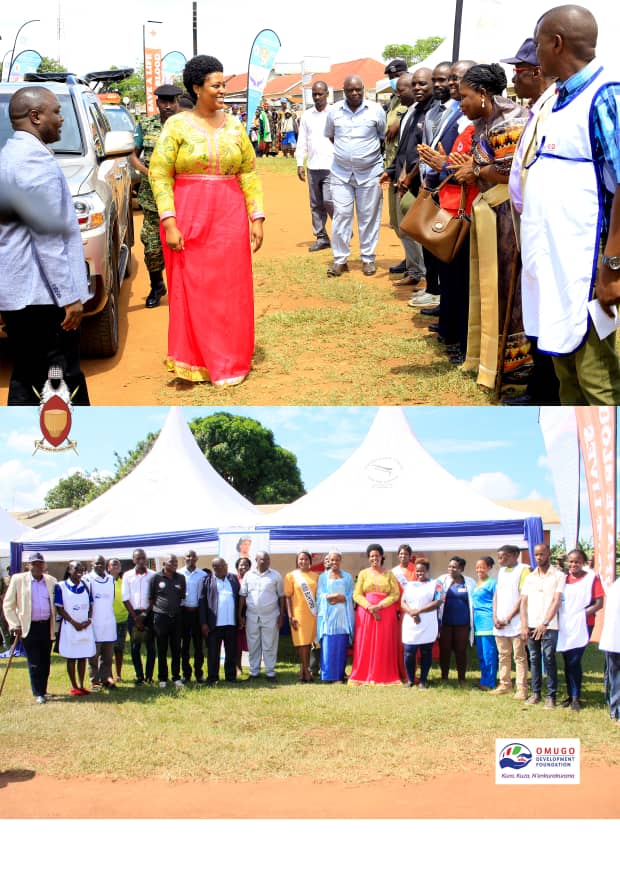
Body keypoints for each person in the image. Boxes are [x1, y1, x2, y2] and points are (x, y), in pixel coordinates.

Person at [520, 5, 620, 404]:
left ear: (556, 43)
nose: (535, 52)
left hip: (590, 270)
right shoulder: (559, 96)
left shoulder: (605, 94)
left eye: (539, 43)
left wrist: (612, 268)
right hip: (557, 267)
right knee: (568, 376)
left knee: (597, 381)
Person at [149, 54, 265, 387]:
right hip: (188, 215)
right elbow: (159, 174)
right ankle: (194, 359)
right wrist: (169, 222)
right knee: (194, 287)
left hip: (229, 217)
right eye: (216, 85)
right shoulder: (177, 126)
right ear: (197, 88)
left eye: (224, 84)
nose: (223, 90)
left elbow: (249, 171)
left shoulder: (235, 125)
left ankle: (230, 359)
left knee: (230, 287)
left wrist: (256, 217)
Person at [0, 86, 91, 405]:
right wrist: (69, 296)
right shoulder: (33, 162)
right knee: (63, 380)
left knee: (27, 376)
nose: (61, 118)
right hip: (43, 299)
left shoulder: (10, 154)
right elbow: (48, 239)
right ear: (36, 117)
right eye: (56, 111)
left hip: (22, 295)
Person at [453, 64, 528, 392]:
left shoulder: (510, 121)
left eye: (465, 97)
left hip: (509, 219)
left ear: (483, 95)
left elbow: (511, 172)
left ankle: (516, 367)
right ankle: (491, 359)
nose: (461, 104)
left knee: (509, 294)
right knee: (489, 291)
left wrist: (478, 170)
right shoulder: (486, 121)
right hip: (491, 213)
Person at [502, 37, 560, 405]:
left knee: (549, 314)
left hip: (549, 231)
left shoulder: (553, 108)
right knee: (536, 312)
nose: (513, 80)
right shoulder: (539, 107)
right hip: (531, 225)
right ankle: (539, 387)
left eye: (518, 73)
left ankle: (546, 391)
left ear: (536, 72)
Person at [324, 75, 386, 276]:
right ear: (344, 91)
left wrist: (362, 156)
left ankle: (368, 258)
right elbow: (332, 136)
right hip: (341, 173)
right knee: (341, 215)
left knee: (368, 216)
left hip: (370, 173)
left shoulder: (376, 110)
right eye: (350, 90)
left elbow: (382, 137)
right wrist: (349, 154)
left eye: (358, 89)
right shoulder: (334, 111)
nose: (354, 93)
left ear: (364, 89)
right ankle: (340, 259)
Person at [379, 71, 433, 299]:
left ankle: (422, 273)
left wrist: (409, 175)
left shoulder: (427, 114)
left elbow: (421, 151)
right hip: (399, 178)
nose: (398, 93)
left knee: (413, 228)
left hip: (415, 181)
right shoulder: (410, 113)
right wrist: (391, 171)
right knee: (400, 225)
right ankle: (414, 269)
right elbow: (403, 150)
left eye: (402, 89)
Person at [131, 83, 182, 308]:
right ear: (157, 103)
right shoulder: (146, 125)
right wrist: (146, 172)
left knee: (183, 246)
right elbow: (132, 155)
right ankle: (156, 285)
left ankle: (183, 290)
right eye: (164, 101)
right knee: (152, 247)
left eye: (172, 101)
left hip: (181, 198)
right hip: (152, 200)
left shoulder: (186, 125)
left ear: (178, 102)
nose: (168, 106)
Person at [3, 552, 56, 704]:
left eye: (40, 563)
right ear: (28, 565)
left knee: (45, 661)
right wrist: (14, 624)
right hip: (28, 626)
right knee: (34, 661)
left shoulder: (51, 581)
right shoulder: (18, 580)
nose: (38, 566)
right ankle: (38, 692)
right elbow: (8, 605)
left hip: (46, 625)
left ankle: (44, 690)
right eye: (34, 563)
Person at [556, 548, 604, 710]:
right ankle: (570, 695)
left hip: (583, 624)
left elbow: (599, 603)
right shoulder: (563, 579)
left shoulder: (591, 578)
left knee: (575, 660)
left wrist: (581, 615)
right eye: (570, 561)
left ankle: (576, 697)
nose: (573, 564)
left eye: (576, 561)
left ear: (583, 562)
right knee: (567, 661)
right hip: (565, 625)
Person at [520, 543, 566, 708]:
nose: (539, 557)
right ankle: (536, 693)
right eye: (536, 555)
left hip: (549, 625)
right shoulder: (530, 577)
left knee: (548, 659)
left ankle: (551, 696)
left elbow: (556, 601)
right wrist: (524, 625)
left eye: (542, 554)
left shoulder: (558, 576)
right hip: (531, 624)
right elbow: (523, 602)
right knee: (533, 658)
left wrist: (545, 623)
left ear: (548, 553)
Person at [381, 58, 415, 279]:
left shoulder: (412, 101)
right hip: (393, 164)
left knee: (407, 220)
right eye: (391, 78)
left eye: (397, 76)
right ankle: (409, 259)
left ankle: (416, 266)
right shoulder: (394, 100)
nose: (394, 81)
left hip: (407, 169)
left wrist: (399, 123)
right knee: (395, 220)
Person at [349, 543, 401, 685]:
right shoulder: (363, 574)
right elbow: (357, 594)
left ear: (381, 557)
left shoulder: (389, 574)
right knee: (365, 641)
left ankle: (383, 673)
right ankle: (363, 674)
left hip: (386, 611)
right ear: (368, 558)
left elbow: (395, 593)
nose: (374, 558)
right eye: (371, 556)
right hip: (366, 613)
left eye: (377, 555)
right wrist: (370, 607)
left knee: (384, 642)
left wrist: (380, 605)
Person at [295, 80, 334, 252]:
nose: (317, 97)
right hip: (313, 165)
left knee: (329, 200)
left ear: (327, 94)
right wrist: (299, 163)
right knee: (316, 203)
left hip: (332, 166)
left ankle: (342, 231)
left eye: (320, 94)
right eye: (314, 95)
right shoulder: (307, 116)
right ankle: (321, 237)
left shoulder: (334, 113)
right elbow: (302, 140)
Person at [238, 551, 285, 682]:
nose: (265, 562)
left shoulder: (276, 576)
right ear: (256, 560)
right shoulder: (248, 575)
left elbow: (281, 596)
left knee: (270, 644)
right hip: (252, 616)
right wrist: (239, 615)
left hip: (271, 616)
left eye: (268, 559)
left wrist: (282, 615)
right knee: (253, 645)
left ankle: (270, 672)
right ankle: (254, 672)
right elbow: (242, 595)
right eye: (263, 559)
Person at [492, 544, 530, 698]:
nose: (501, 560)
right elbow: (496, 595)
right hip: (500, 622)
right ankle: (505, 684)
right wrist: (495, 616)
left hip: (515, 622)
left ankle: (522, 688)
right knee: (503, 655)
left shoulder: (523, 570)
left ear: (515, 555)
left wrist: (508, 617)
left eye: (504, 557)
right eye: (499, 557)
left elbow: (523, 597)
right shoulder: (501, 571)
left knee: (519, 657)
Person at [54, 561, 96, 696]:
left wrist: (88, 620)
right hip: (70, 627)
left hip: (85, 626)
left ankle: (82, 685)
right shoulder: (60, 586)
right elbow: (60, 609)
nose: (80, 571)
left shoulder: (86, 585)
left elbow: (91, 605)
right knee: (72, 657)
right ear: (69, 570)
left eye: (82, 569)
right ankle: (74, 686)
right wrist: (74, 623)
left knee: (82, 656)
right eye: (76, 569)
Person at [199, 556, 241, 684]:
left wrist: (240, 617)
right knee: (213, 653)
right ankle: (212, 677)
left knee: (231, 652)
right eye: (220, 566)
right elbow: (202, 603)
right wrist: (203, 623)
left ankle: (231, 676)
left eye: (225, 565)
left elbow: (239, 599)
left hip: (231, 623)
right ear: (214, 568)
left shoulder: (233, 578)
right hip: (214, 624)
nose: (224, 568)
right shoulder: (206, 580)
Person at [401, 558, 441, 689]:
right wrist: (412, 613)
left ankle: (423, 680)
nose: (419, 573)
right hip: (411, 623)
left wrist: (419, 611)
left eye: (422, 570)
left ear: (427, 570)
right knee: (409, 652)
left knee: (426, 652)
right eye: (417, 571)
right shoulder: (409, 584)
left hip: (427, 622)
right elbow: (403, 602)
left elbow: (438, 601)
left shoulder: (436, 583)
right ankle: (410, 679)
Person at [316, 550, 355, 683]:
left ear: (340, 560)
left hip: (343, 615)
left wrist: (343, 598)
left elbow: (351, 594)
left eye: (337, 560)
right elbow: (320, 595)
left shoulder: (348, 577)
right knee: (328, 646)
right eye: (331, 560)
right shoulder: (323, 577)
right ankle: (328, 675)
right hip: (328, 617)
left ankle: (339, 676)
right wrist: (330, 596)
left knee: (340, 647)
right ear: (328, 561)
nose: (334, 562)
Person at [435, 556, 475, 686]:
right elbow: (436, 598)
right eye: (449, 566)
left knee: (461, 651)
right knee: (444, 650)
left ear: (461, 569)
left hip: (462, 625)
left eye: (454, 567)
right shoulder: (442, 580)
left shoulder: (469, 582)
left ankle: (462, 678)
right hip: (445, 623)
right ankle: (444, 677)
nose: (451, 569)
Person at [148, 554, 186, 688]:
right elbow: (152, 598)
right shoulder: (156, 578)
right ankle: (162, 678)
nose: (175, 564)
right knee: (162, 648)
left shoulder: (181, 578)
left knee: (176, 648)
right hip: (160, 617)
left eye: (176, 562)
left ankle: (176, 677)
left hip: (176, 617)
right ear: (164, 564)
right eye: (172, 562)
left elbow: (181, 596)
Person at [122, 548, 155, 685]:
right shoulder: (127, 575)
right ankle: (139, 676)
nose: (141, 561)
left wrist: (145, 614)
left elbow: (155, 597)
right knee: (135, 646)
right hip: (133, 614)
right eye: (138, 558)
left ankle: (149, 676)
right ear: (134, 560)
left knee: (151, 646)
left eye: (143, 558)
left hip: (149, 613)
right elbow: (125, 598)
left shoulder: (153, 575)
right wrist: (136, 618)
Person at [284, 551, 319, 683]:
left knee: (309, 643)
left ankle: (304, 670)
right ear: (297, 561)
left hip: (312, 613)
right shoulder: (291, 576)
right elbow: (287, 596)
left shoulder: (316, 576)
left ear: (310, 561)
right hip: (298, 613)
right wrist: (290, 616)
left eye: (305, 559)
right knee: (301, 643)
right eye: (301, 559)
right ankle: (305, 671)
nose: (303, 561)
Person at [84, 555, 117, 689]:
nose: (100, 565)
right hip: (94, 623)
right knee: (93, 655)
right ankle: (94, 681)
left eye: (102, 563)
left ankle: (106, 679)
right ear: (92, 564)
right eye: (97, 563)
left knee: (108, 656)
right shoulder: (87, 579)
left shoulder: (110, 579)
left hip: (109, 622)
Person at [178, 549, 206, 683]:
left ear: (196, 558)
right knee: (184, 646)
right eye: (188, 556)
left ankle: (199, 673)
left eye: (192, 556)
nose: (190, 558)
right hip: (182, 613)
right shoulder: (178, 573)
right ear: (184, 558)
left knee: (198, 645)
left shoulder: (203, 574)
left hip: (197, 613)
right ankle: (186, 674)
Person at [471, 556, 498, 690]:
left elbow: (497, 602)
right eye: (477, 567)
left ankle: (490, 682)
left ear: (489, 568)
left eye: (482, 567)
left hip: (488, 622)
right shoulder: (476, 584)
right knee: (481, 655)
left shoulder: (493, 583)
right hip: (477, 623)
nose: (479, 569)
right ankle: (484, 680)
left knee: (489, 655)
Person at [599, 575, 620, 725]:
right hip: (615, 640)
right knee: (616, 677)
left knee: (614, 676)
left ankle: (615, 709)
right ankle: (616, 711)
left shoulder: (615, 586)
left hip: (613, 640)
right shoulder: (616, 587)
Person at [107, 558, 126, 682]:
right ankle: (108, 675)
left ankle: (118, 674)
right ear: (108, 567)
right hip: (107, 620)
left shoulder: (123, 582)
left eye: (117, 564)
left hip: (122, 619)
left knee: (119, 649)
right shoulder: (104, 581)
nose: (115, 566)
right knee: (107, 650)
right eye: (113, 564)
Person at [235, 555, 251, 675]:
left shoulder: (253, 579)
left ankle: (254, 667)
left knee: (253, 642)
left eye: (246, 565)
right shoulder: (233, 580)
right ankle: (238, 666)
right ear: (237, 567)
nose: (243, 567)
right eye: (241, 565)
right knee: (237, 643)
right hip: (237, 615)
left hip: (251, 614)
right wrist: (239, 615)